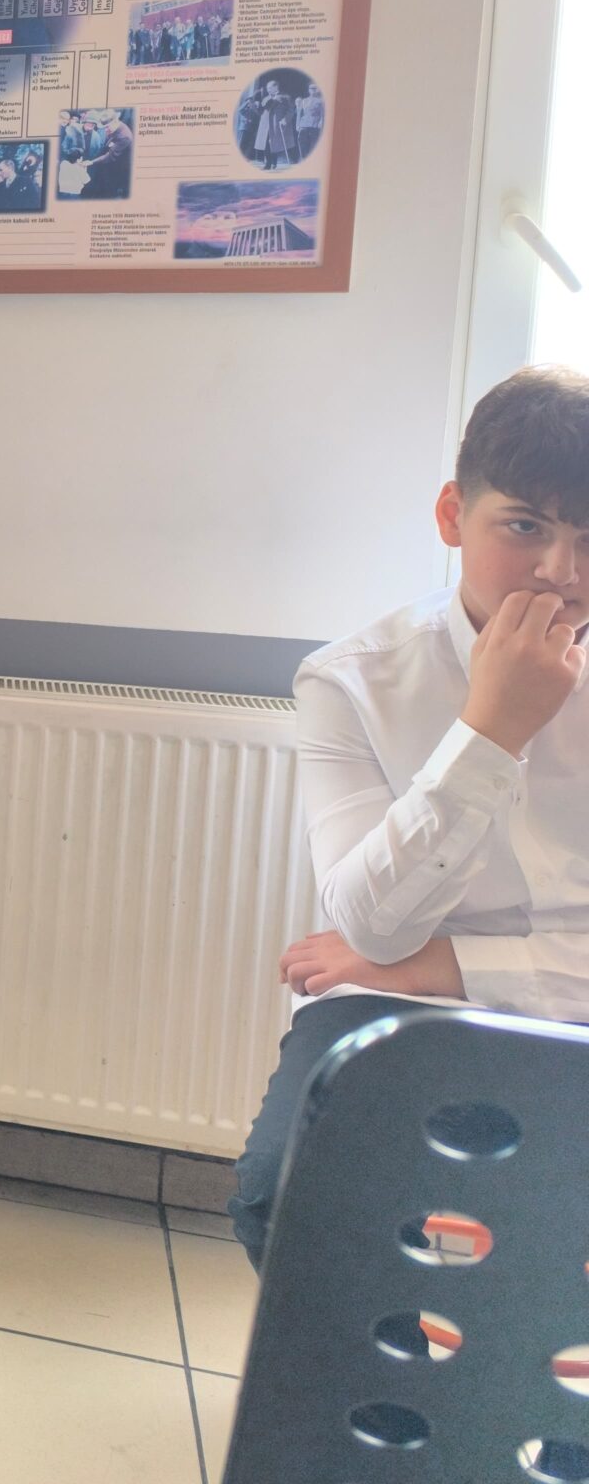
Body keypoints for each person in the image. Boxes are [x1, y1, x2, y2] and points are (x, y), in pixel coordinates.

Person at [232, 366, 589, 1268]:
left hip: (475, 989)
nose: (562, 573)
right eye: (525, 526)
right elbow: (371, 926)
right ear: (451, 516)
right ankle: (387, 1370)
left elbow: (390, 945)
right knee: (285, 1197)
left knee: (541, 1243)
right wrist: (490, 733)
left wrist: (444, 964)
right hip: (397, 1005)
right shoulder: (352, 681)